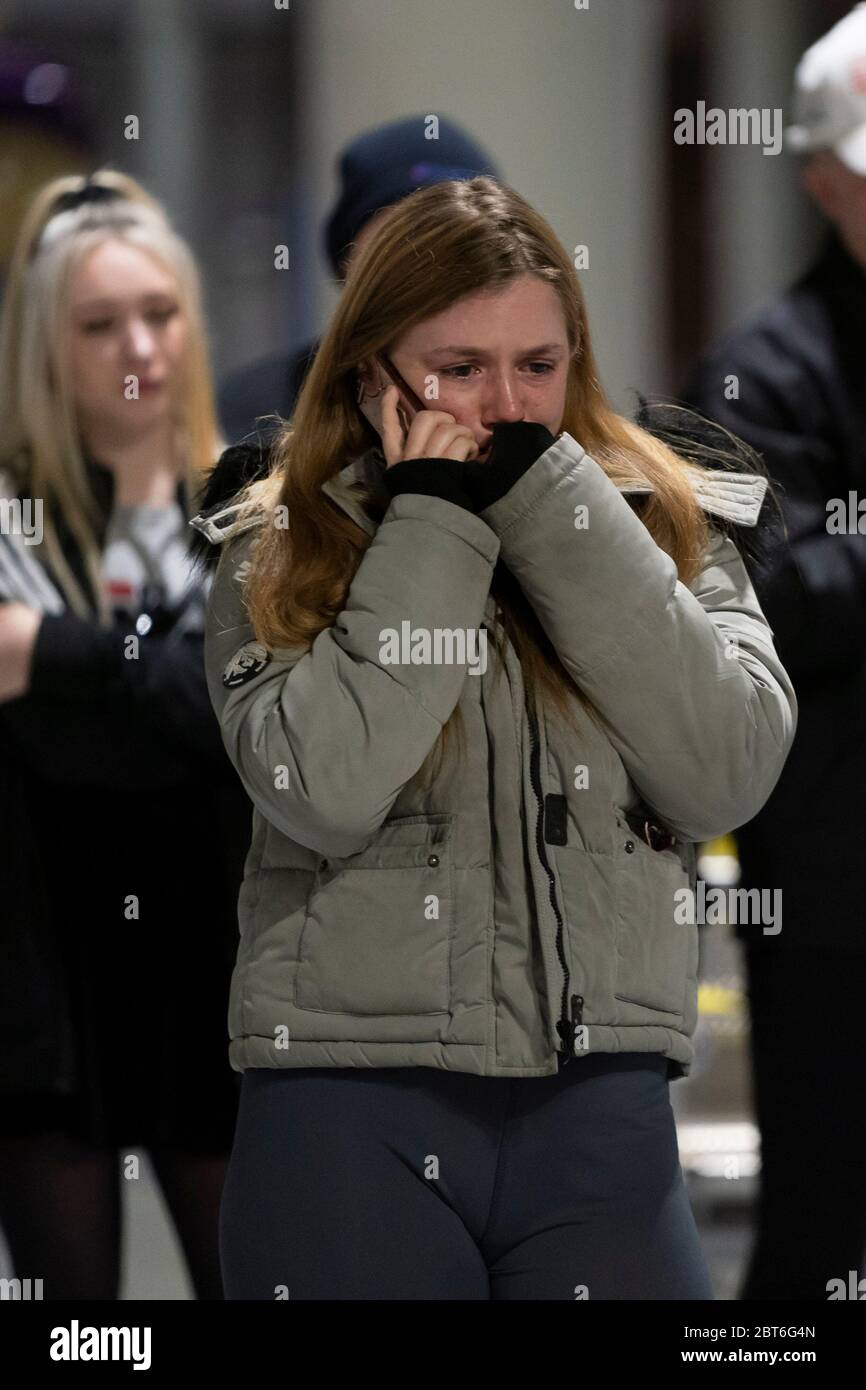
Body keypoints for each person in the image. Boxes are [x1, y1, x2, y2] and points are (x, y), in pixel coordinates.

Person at [190, 175, 797, 1301]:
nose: (507, 406)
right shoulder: (281, 535)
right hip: (345, 1107)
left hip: (601, 1110)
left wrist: (554, 506)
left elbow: (725, 770)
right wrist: (430, 512)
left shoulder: (668, 520)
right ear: (371, 367)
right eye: (457, 369)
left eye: (538, 364)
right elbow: (321, 785)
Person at [0, 170, 251, 1300]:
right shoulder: (14, 513)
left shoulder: (249, 504)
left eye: (159, 312)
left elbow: (240, 717)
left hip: (219, 975)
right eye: (97, 324)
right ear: (45, 344)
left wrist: (55, 659)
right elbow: (74, 751)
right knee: (81, 1335)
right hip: (48, 984)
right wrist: (163, 694)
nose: (135, 345)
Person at [679, 2, 866, 1301]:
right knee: (819, 1227)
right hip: (834, 892)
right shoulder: (753, 374)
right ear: (820, 178)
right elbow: (767, 606)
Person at [217, 114, 501, 444]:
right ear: (347, 264)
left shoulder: (529, 395)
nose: (431, 272)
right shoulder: (256, 409)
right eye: (397, 248)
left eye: (458, 246)